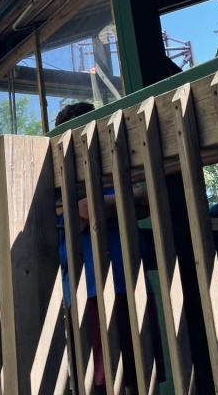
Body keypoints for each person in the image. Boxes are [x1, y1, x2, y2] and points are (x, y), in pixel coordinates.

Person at [54, 102, 162, 395]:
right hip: (90, 290)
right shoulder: (60, 180)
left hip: (132, 284)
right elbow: (89, 209)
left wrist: (110, 203)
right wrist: (130, 197)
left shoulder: (112, 171)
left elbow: (147, 202)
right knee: (105, 378)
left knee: (141, 375)